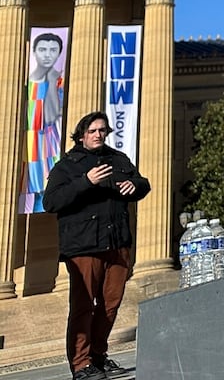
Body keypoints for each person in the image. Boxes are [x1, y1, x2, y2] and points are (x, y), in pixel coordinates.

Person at [42, 110, 149, 380]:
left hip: (117, 243)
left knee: (110, 305)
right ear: (81, 135)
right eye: (93, 131)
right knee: (83, 306)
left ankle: (98, 357)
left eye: (103, 130)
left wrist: (133, 186)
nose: (99, 134)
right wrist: (85, 182)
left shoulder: (117, 159)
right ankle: (80, 365)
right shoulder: (67, 166)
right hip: (84, 246)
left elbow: (142, 183)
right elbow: (51, 202)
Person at [24, 31, 66, 213]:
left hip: (48, 147)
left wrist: (51, 82)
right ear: (34, 51)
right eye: (42, 49)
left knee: (43, 193)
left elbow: (50, 116)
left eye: (53, 50)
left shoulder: (58, 81)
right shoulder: (27, 82)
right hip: (27, 145)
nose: (48, 54)